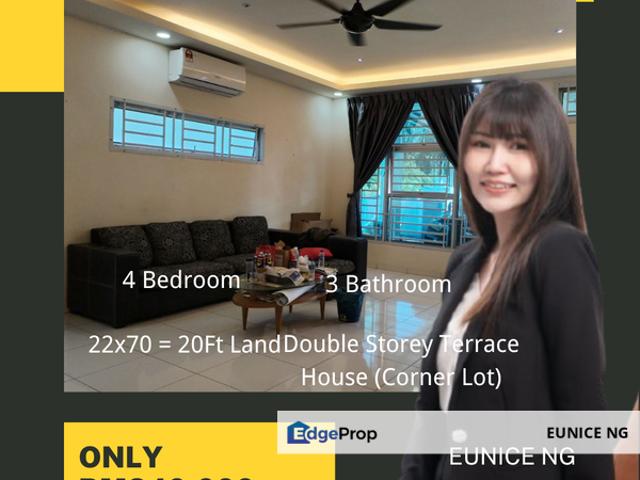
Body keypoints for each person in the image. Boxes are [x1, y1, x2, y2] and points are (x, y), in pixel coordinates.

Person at [400, 78, 613, 479]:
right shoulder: (463, 261)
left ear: (549, 159)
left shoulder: (559, 250)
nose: (495, 163)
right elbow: (431, 408)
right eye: (482, 144)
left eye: (518, 146)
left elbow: (582, 413)